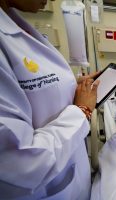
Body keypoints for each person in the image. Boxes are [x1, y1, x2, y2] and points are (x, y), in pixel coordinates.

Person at [0, 1, 100, 199]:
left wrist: (70, 84)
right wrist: (82, 110)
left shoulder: (13, 21)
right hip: (44, 187)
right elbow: (21, 162)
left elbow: (34, 89)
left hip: (71, 170)